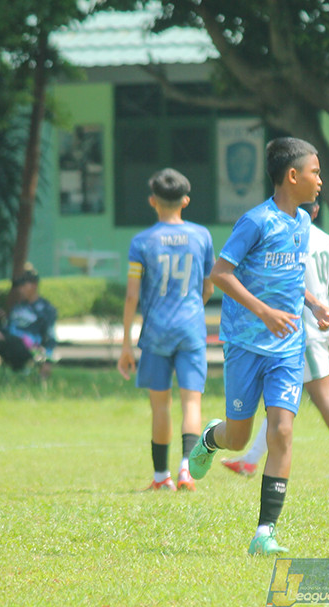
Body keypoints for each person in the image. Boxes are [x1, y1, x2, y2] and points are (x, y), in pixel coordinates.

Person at [187, 137, 329, 556]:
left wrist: (313, 304)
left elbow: (289, 279)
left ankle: (264, 533)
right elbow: (221, 274)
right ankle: (210, 441)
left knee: (283, 431)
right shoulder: (256, 222)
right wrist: (263, 313)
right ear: (293, 176)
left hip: (288, 347)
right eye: (315, 172)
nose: (320, 181)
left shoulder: (305, 223)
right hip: (244, 345)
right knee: (238, 438)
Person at [222, 198, 329, 478]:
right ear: (317, 210)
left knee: (321, 395)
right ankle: (250, 460)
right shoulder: (325, 240)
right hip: (301, 328)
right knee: (279, 401)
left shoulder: (287, 236)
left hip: (299, 330)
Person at [117, 168, 215, 492]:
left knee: (160, 406)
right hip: (191, 329)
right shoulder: (201, 236)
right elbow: (208, 286)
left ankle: (162, 478)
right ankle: (187, 470)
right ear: (185, 201)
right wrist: (193, 308)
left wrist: (126, 345)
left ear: (152, 202)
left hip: (156, 332)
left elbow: (132, 294)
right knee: (192, 403)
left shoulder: (142, 242)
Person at [0, 265, 57, 385]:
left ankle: (0, 335)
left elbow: (50, 336)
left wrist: (47, 361)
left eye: (23, 286)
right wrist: (0, 323)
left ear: (34, 285)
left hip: (26, 349)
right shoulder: (18, 307)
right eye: (19, 286)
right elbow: (10, 326)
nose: (20, 289)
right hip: (8, 344)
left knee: (15, 340)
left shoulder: (46, 309)